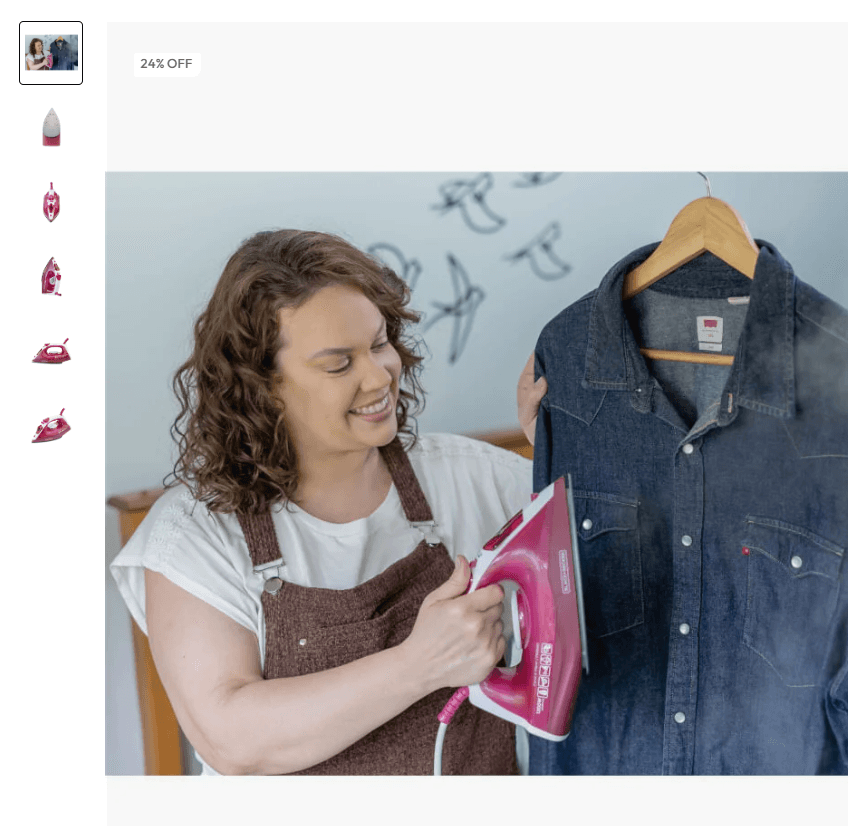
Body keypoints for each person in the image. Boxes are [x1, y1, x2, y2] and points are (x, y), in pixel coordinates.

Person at [110, 229, 546, 775]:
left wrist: (564, 453)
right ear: (261, 385)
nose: (379, 376)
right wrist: (419, 664)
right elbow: (232, 742)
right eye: (339, 364)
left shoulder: (473, 476)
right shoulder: (192, 535)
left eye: (380, 344)